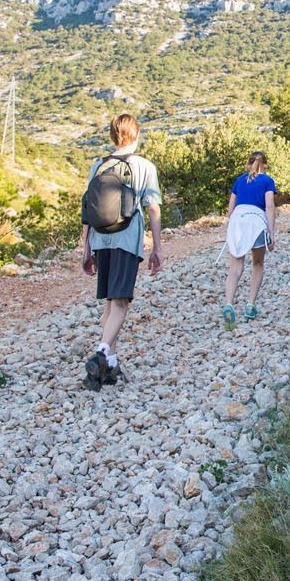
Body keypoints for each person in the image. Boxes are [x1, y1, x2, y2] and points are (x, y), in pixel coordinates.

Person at [80, 114, 164, 390]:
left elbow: (86, 210)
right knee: (121, 303)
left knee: (109, 302)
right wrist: (157, 248)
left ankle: (110, 366)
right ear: (136, 135)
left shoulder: (98, 166)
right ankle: (102, 352)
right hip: (127, 238)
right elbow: (153, 208)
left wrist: (86, 248)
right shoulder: (143, 166)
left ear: (112, 136)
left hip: (101, 239)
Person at [221, 151, 277, 329]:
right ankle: (250, 306)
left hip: (238, 219)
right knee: (257, 264)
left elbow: (230, 208)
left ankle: (229, 304)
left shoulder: (239, 180)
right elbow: (269, 206)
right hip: (256, 220)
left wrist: (233, 227)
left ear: (248, 165)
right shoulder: (267, 181)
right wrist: (271, 232)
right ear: (265, 166)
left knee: (235, 267)